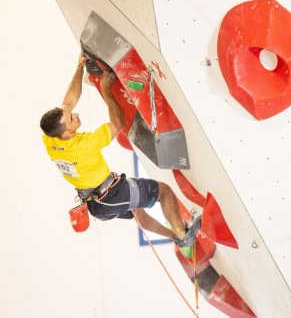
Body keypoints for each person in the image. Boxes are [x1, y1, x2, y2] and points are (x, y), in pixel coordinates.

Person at [40, 53, 201, 247]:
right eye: (72, 119)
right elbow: (118, 123)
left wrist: (80, 67)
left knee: (137, 210)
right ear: (65, 134)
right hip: (110, 195)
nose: (75, 114)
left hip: (97, 203)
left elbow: (68, 100)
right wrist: (106, 90)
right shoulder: (83, 146)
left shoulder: (50, 138)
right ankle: (183, 235)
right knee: (164, 192)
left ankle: (174, 236)